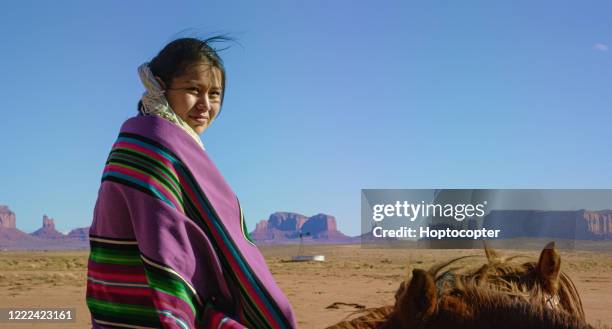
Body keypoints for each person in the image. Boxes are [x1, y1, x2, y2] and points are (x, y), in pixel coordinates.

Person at [86, 37, 298, 329]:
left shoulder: (144, 138)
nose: (205, 105)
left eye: (215, 94)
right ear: (159, 86)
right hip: (159, 310)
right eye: (193, 90)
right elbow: (166, 246)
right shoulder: (155, 145)